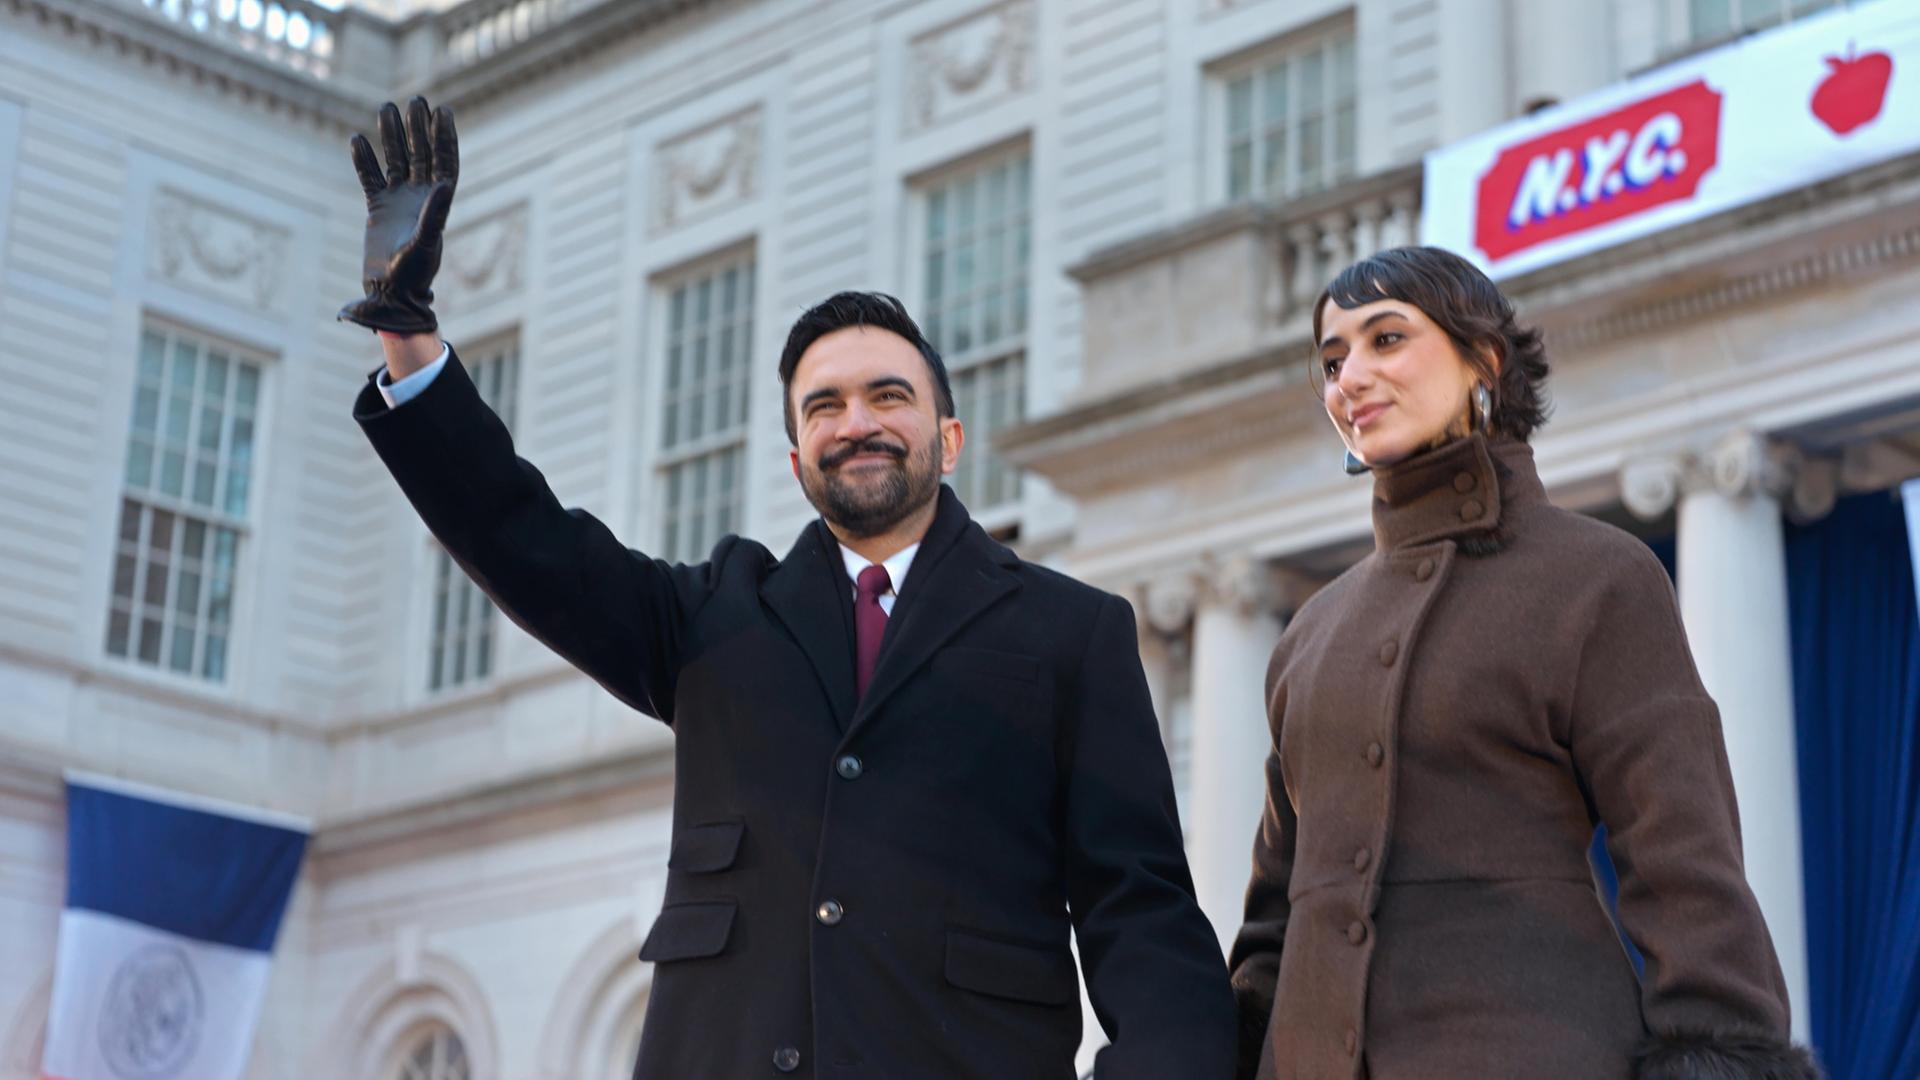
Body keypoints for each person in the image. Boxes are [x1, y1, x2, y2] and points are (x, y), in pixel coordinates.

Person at [341, 97, 1235, 1079]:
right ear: (797, 455)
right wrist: (409, 336)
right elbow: (522, 538)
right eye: (826, 406)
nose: (857, 421)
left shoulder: (1074, 633)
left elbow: (1141, 913)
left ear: (949, 437)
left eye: (889, 396)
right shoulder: (712, 618)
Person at [1229, 246, 1820, 1079]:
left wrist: (1718, 1053)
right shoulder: (1309, 635)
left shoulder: (1598, 579)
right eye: (1332, 360)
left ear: (1485, 361)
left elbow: (1685, 867)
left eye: (1386, 339)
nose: (1348, 378)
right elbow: (1269, 935)